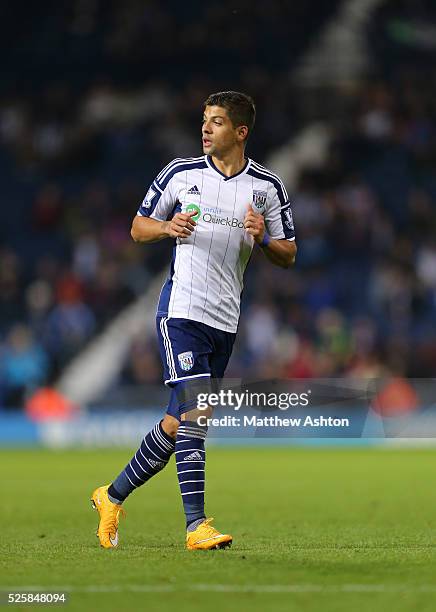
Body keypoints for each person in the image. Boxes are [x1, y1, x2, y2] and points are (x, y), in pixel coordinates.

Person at [91, 91, 297, 550]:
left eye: (218, 122)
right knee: (197, 414)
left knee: (174, 425)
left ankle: (111, 495)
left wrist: (263, 239)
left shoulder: (266, 188)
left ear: (240, 132)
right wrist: (168, 228)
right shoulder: (180, 174)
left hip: (224, 321)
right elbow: (138, 226)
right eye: (205, 120)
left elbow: (289, 254)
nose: (206, 128)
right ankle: (195, 525)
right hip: (181, 311)